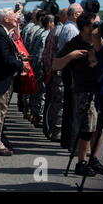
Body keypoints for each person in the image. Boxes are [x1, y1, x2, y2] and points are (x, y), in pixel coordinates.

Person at [53, 12, 103, 176]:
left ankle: (94, 159)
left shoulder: (100, 43)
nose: (97, 28)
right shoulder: (74, 43)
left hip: (100, 88)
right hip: (83, 90)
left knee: (99, 126)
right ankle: (81, 161)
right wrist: (71, 56)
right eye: (93, 25)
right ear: (84, 28)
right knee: (86, 127)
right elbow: (55, 65)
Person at [0, 8, 27, 156]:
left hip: (1, 79)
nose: (17, 20)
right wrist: (21, 64)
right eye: (14, 17)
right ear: (5, 19)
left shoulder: (0, 32)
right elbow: (4, 58)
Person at [58, 3, 84, 149]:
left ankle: (67, 139)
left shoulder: (67, 27)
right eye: (82, 13)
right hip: (71, 71)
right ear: (75, 15)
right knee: (72, 107)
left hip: (68, 70)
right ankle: (71, 140)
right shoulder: (72, 30)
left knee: (69, 106)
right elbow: (72, 56)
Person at [43, 8, 68, 142]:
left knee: (54, 102)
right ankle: (57, 131)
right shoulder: (63, 31)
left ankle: (53, 129)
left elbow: (46, 54)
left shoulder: (53, 31)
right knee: (59, 102)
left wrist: (48, 70)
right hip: (59, 72)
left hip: (53, 71)